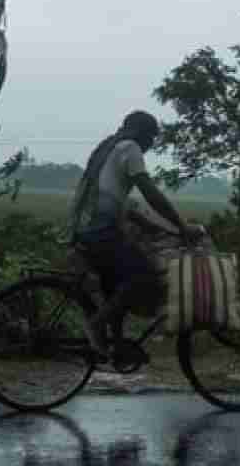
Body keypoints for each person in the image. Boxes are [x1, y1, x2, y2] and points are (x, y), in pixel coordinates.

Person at [68, 110, 198, 360]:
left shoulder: (107, 147)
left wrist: (144, 222)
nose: (151, 145)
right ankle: (96, 326)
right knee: (143, 277)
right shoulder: (130, 148)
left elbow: (110, 194)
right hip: (100, 231)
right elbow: (150, 192)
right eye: (151, 139)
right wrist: (181, 226)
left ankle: (116, 345)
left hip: (81, 228)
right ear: (141, 133)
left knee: (116, 285)